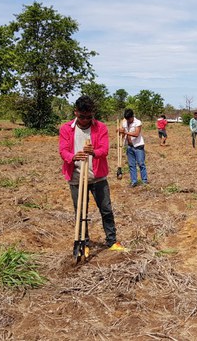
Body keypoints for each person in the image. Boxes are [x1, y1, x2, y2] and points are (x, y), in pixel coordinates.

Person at [58, 96, 125, 251]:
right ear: (75, 112)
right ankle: (84, 242)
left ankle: (112, 241)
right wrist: (73, 157)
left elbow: (104, 149)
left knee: (106, 209)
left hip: (98, 177)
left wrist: (94, 152)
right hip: (76, 178)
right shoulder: (66, 129)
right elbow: (63, 151)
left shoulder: (100, 127)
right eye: (82, 117)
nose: (85, 121)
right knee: (80, 211)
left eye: (89, 117)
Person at [118, 108, 148, 187]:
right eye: (127, 119)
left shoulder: (137, 122)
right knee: (131, 165)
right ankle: (134, 181)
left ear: (132, 116)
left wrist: (125, 132)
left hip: (138, 146)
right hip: (129, 146)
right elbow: (123, 134)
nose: (128, 120)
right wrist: (120, 132)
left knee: (141, 163)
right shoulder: (124, 123)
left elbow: (136, 134)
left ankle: (144, 181)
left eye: (129, 119)